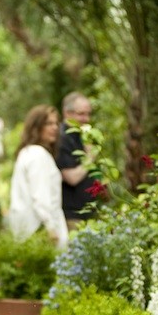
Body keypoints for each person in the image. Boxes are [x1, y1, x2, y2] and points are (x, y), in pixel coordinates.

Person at [9, 104, 69, 248]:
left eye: (56, 123)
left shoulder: (27, 152)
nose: (55, 127)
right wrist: (51, 227)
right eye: (49, 123)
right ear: (36, 127)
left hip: (27, 229)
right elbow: (41, 196)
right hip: (39, 229)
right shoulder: (38, 155)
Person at [57, 92, 97, 229]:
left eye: (88, 114)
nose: (86, 119)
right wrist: (90, 158)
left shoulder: (81, 135)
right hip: (72, 215)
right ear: (67, 113)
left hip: (88, 213)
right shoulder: (62, 138)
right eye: (81, 114)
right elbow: (71, 178)